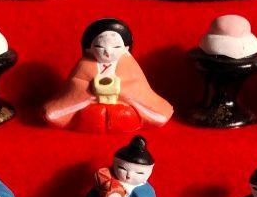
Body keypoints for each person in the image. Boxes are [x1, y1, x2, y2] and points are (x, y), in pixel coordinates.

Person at [44, 19, 173, 134]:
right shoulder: (85, 64)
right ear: (89, 49)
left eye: (116, 47)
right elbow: (76, 83)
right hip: (91, 108)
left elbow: (137, 85)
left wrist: (120, 90)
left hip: (123, 110)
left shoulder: (129, 64)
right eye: (99, 46)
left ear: (126, 48)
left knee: (148, 115)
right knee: (54, 114)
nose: (108, 52)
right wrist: (91, 90)